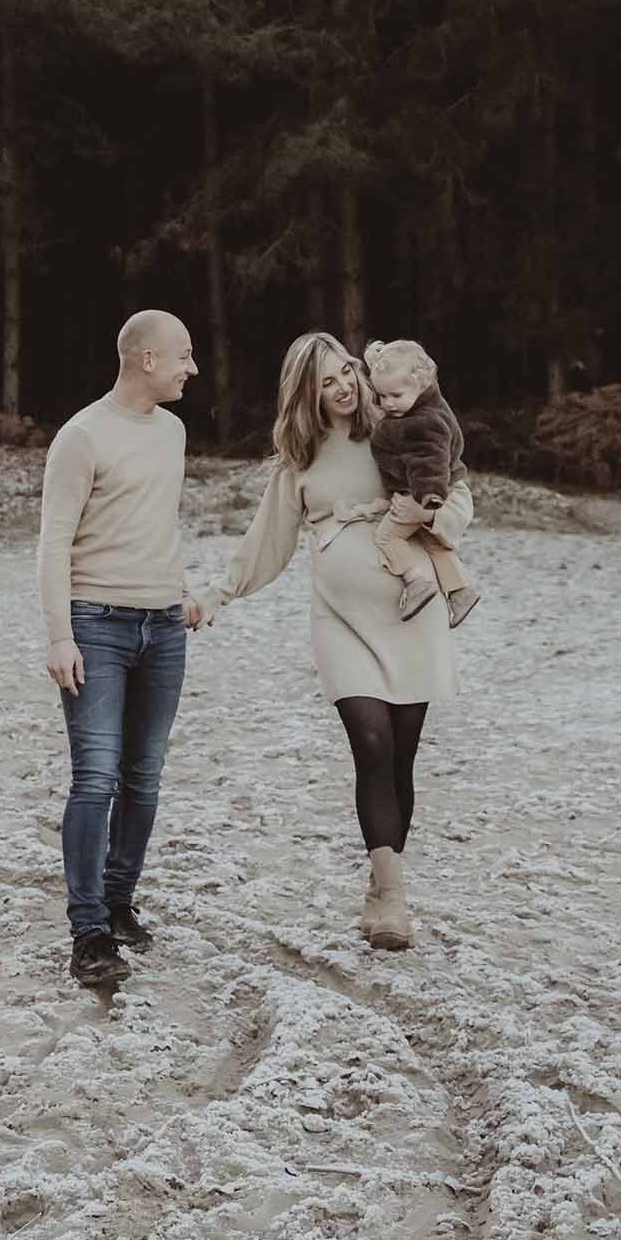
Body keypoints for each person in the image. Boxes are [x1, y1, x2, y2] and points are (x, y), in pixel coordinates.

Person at [195, 331, 473, 952]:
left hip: (413, 608)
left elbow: (456, 486)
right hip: (340, 618)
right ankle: (396, 900)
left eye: (347, 372)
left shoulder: (396, 425)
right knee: (371, 742)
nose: (344, 387)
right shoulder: (299, 457)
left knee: (401, 753)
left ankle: (381, 883)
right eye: (326, 381)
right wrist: (217, 593)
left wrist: (435, 517)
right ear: (306, 392)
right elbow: (267, 541)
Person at [37, 310, 202, 990]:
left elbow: (153, 523)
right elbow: (53, 540)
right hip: (96, 625)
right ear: (146, 361)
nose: (193, 368)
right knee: (96, 777)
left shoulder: (174, 432)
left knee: (145, 775)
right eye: (184, 355)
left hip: (164, 627)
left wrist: (181, 590)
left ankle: (120, 899)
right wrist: (58, 635)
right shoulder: (82, 436)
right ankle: (88, 930)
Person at [364, 336, 482, 628]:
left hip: (426, 494)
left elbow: (430, 460)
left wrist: (427, 499)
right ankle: (460, 591)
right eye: (382, 397)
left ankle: (415, 581)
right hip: (436, 490)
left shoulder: (422, 422)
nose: (388, 404)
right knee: (435, 543)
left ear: (421, 385)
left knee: (387, 537)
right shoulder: (424, 406)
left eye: (396, 395)